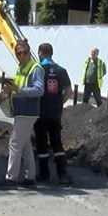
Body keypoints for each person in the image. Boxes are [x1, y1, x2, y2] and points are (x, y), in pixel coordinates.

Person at [0, 40, 44, 189]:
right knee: (25, 145)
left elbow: (39, 90)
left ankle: (11, 178)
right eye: (18, 53)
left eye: (24, 52)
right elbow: (19, 86)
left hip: (28, 112)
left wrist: (18, 89)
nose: (21, 55)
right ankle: (30, 177)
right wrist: (10, 90)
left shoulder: (35, 69)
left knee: (14, 144)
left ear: (29, 52)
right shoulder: (22, 67)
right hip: (22, 111)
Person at [34, 43, 73, 187]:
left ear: (40, 53)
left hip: (40, 110)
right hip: (55, 112)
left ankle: (44, 174)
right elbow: (69, 91)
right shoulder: (61, 70)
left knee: (42, 143)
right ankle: (62, 174)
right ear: (52, 53)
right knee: (57, 142)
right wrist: (59, 103)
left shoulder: (38, 69)